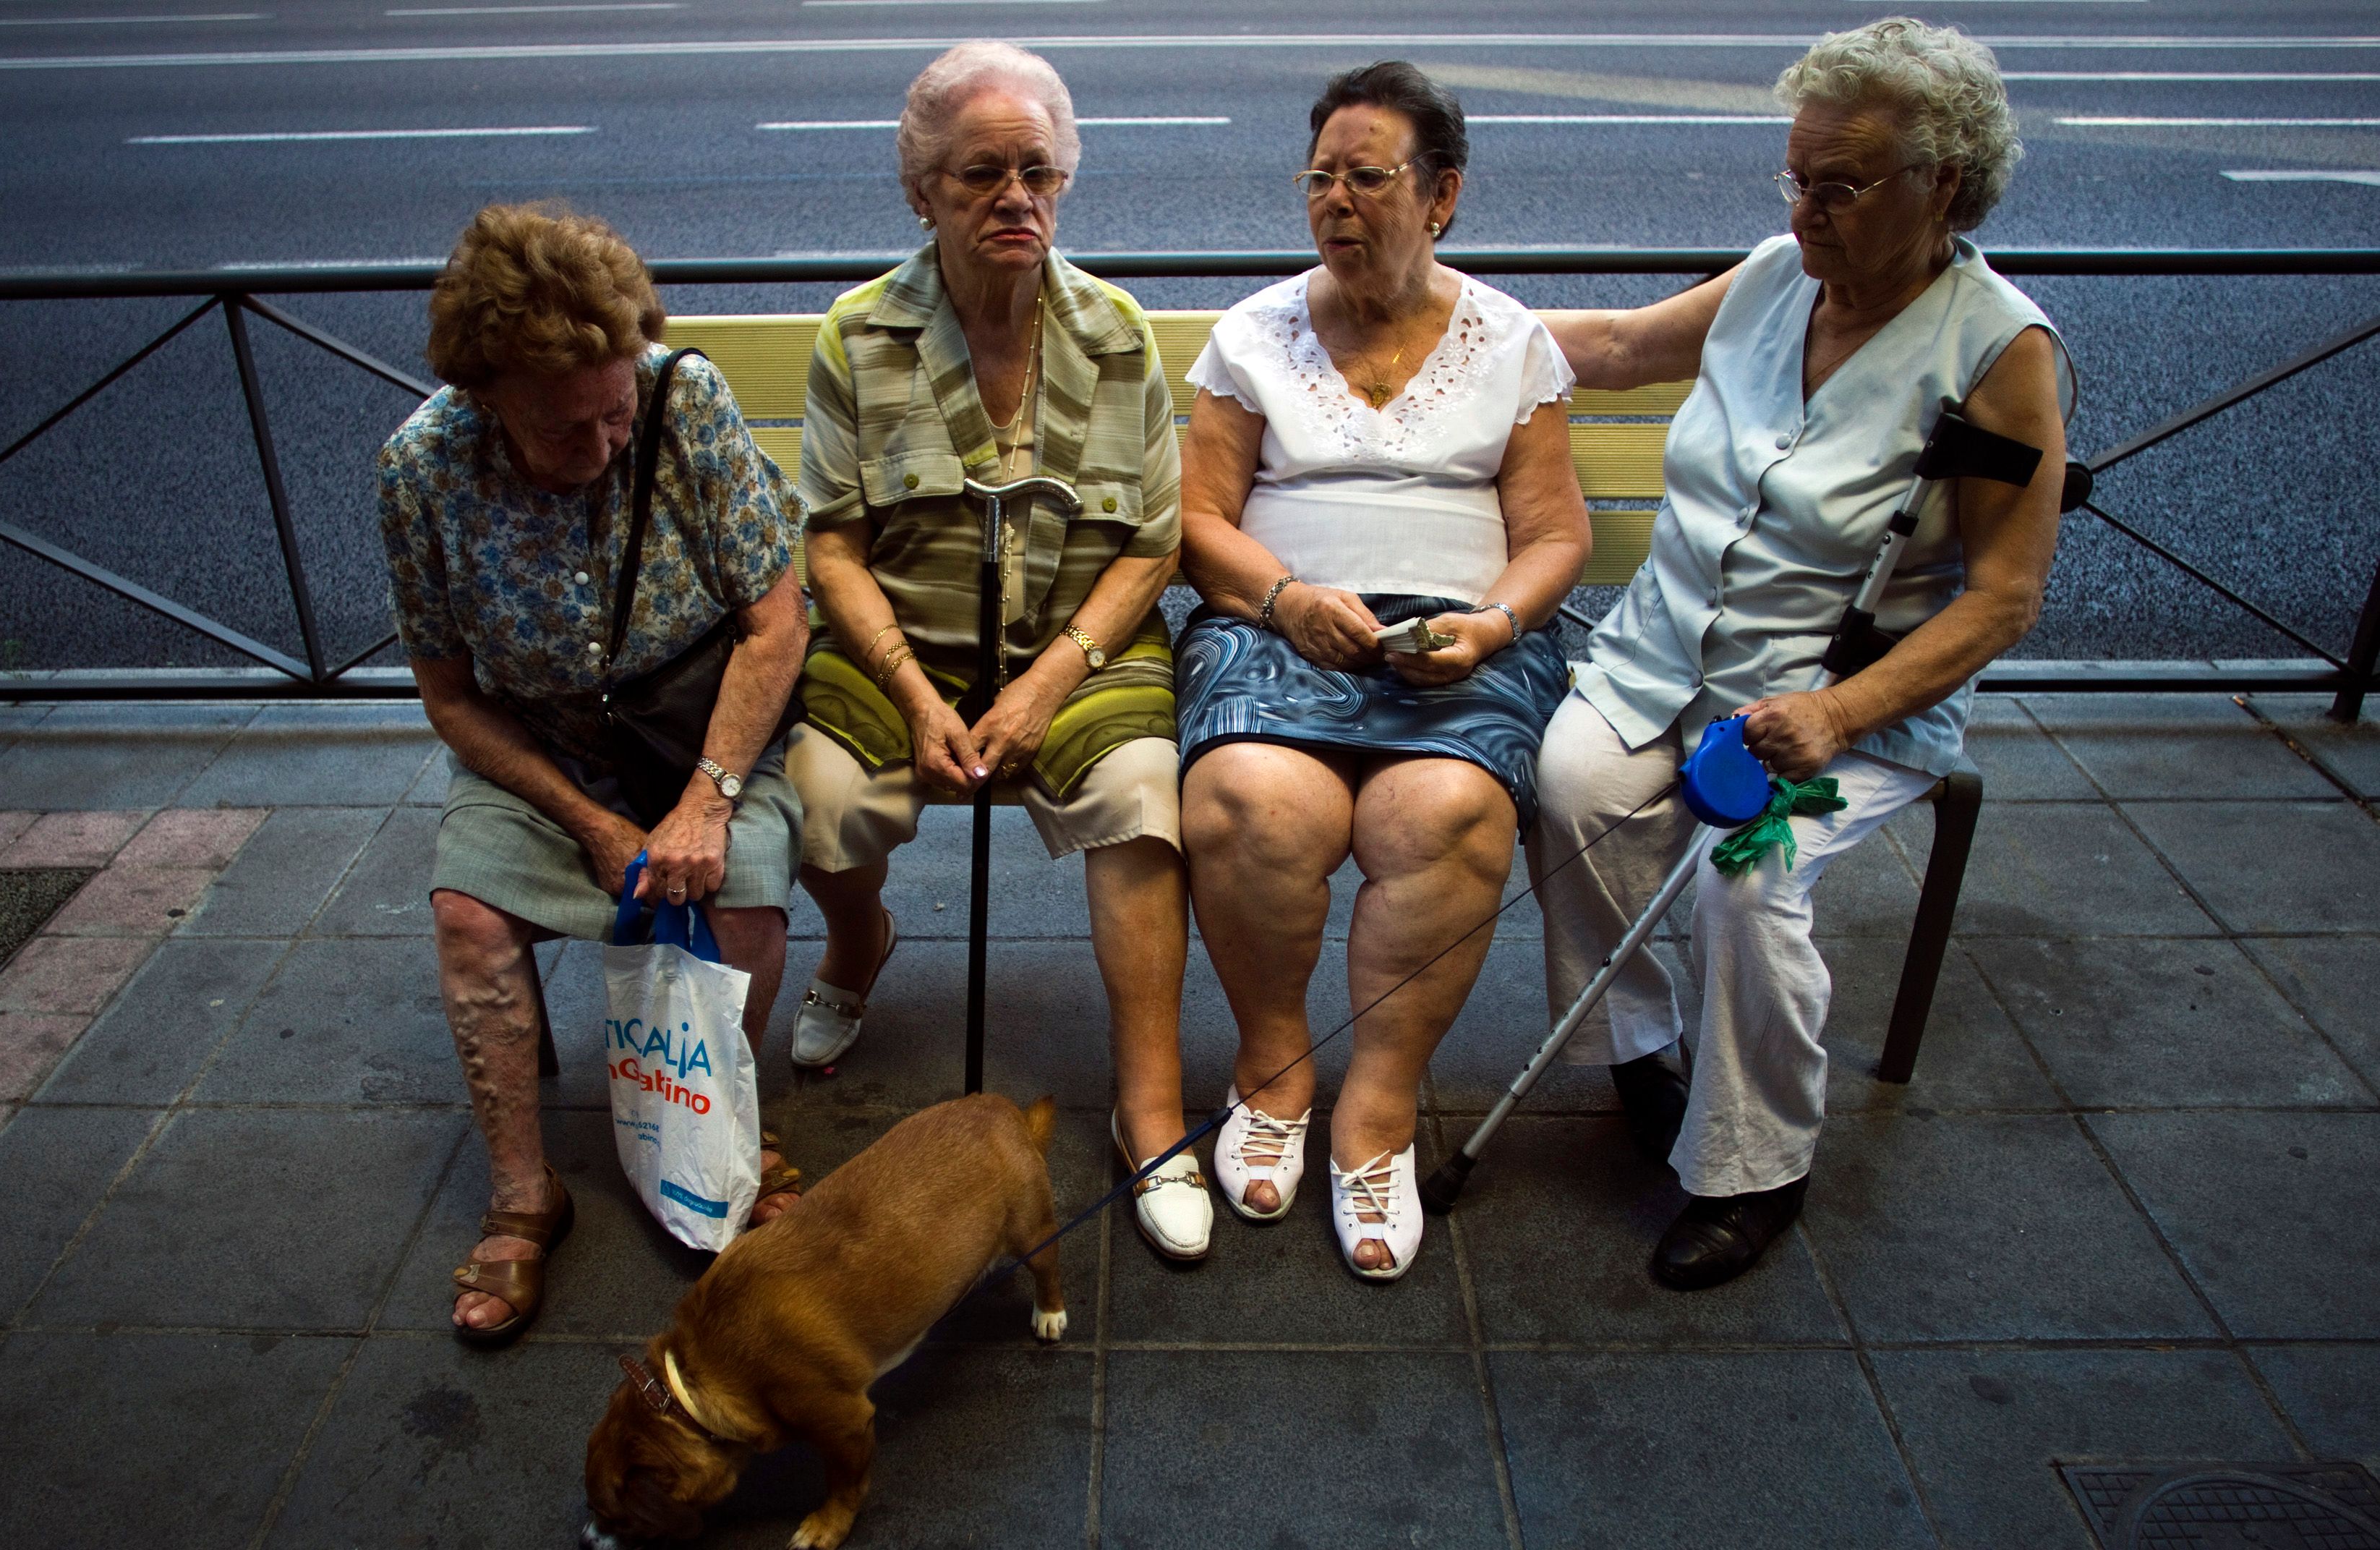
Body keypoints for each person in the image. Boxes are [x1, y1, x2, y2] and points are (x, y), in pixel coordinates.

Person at [1535, 17, 2073, 1290]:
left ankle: (1754, 1164)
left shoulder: (2000, 353)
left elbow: (2003, 599)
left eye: (1841, 183)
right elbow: (1613, 350)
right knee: (1569, 782)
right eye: (1797, 176)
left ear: (1942, 183)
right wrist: (1423, 322)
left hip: (1842, 705)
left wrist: (1838, 716)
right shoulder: (1781, 274)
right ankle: (1643, 1048)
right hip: (1662, 660)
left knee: (1744, 875)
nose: (1809, 207)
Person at [790, 43, 1209, 1260]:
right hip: (902, 645)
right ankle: (859, 941)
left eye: (1039, 171)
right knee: (817, 799)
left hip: (1081, 644)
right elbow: (831, 547)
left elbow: (1153, 547)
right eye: (980, 173)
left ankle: (1150, 1109)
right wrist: (916, 692)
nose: (1015, 197)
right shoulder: (859, 335)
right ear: (922, 191)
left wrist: (1044, 683)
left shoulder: (1117, 333)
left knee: (1141, 799)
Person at [1177, 61, 1592, 1281]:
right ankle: (1273, 1064)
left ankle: (1380, 1104)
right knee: (1255, 797)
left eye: (1368, 176)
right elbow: (1199, 520)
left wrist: (1496, 625)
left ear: (1442, 194)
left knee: (1451, 809)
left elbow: (1557, 532)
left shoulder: (1510, 341)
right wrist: (1287, 598)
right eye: (1320, 179)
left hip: (1459, 637)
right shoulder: (1252, 335)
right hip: (1278, 620)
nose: (1336, 202)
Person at [380, 203, 812, 1344]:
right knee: (470, 917)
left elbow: (777, 627)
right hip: (542, 749)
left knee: (748, 898)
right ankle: (527, 1188)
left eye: (618, 409)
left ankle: (707, 1123)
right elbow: (451, 698)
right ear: (487, 398)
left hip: (696, 731)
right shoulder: (422, 470)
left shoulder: (685, 402)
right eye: (570, 429)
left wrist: (706, 799)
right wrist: (580, 817)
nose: (608, 444)